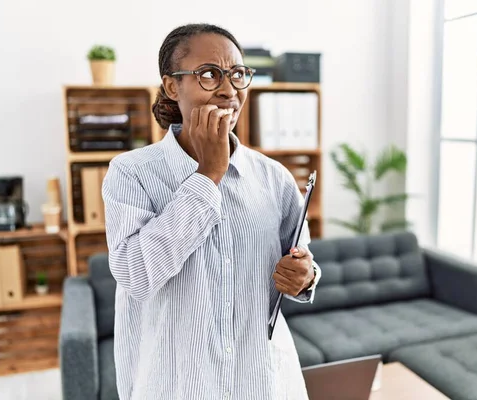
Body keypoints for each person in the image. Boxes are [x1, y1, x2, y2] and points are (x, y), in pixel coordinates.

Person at [102, 23, 322, 400]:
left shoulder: (274, 178)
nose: (229, 89)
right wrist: (208, 175)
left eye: (238, 74)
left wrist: (306, 275)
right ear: (173, 87)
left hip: (262, 382)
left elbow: (302, 263)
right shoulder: (131, 173)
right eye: (209, 75)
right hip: (175, 385)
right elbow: (137, 276)